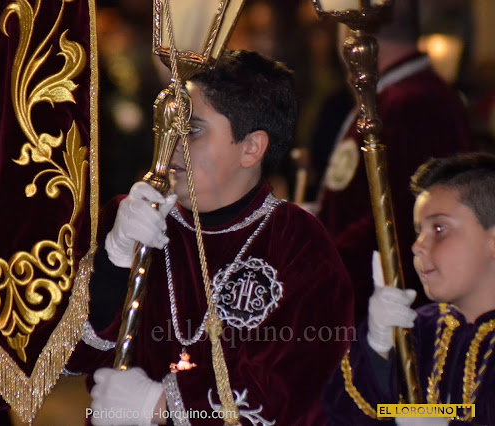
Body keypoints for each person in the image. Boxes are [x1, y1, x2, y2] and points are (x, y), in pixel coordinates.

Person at [65, 50, 354, 425]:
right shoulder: (132, 217)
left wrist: (163, 406)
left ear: (251, 148)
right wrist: (114, 260)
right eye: (171, 126)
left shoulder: (298, 244)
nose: (170, 143)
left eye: (192, 130)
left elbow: (290, 393)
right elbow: (69, 358)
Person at [316, 0, 473, 324]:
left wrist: (312, 260)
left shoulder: (414, 104)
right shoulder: (396, 97)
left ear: (353, 28)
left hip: (389, 317)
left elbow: (398, 222)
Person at [323, 152, 495, 425]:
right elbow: (347, 416)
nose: (417, 246)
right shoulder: (418, 330)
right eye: (418, 231)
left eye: (439, 228)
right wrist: (377, 348)